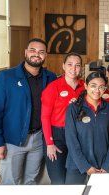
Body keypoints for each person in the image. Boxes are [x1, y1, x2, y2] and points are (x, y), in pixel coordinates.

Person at [0, 38, 57, 184]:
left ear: (45, 56)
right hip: (12, 141)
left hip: (38, 139)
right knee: (11, 183)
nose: (36, 54)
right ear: (26, 52)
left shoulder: (50, 77)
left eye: (41, 52)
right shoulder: (6, 77)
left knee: (31, 181)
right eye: (33, 50)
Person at [41, 53, 84, 184]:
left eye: (77, 65)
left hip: (77, 135)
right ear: (63, 66)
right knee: (58, 180)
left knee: (76, 179)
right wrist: (49, 143)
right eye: (70, 64)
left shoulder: (85, 87)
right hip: (57, 135)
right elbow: (45, 117)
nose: (73, 68)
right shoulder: (53, 87)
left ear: (81, 68)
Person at [65, 71, 109, 184]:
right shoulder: (73, 108)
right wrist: (86, 167)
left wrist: (106, 165)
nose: (97, 90)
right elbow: (71, 140)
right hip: (77, 164)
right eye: (93, 86)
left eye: (101, 87)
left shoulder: (108, 108)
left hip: (101, 167)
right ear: (86, 86)